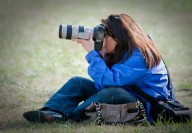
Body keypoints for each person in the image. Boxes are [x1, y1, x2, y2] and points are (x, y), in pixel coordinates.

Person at [23, 14, 176, 123]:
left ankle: (68, 118)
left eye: (104, 35)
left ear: (119, 37)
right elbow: (102, 84)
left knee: (113, 91)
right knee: (78, 82)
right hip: (126, 94)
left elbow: (110, 83)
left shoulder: (141, 56)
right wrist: (101, 53)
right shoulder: (124, 50)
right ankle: (52, 111)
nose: (100, 38)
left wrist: (92, 53)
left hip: (146, 108)